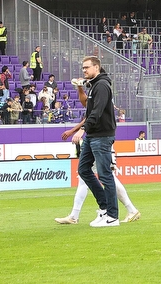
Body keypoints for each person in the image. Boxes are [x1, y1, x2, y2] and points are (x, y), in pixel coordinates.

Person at [63, 55, 118, 227]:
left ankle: (112, 216)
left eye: (87, 67)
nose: (84, 70)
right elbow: (88, 106)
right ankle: (104, 208)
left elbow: (97, 112)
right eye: (83, 68)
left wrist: (82, 129)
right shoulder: (94, 85)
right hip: (93, 135)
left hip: (101, 135)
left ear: (96, 68)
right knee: (84, 170)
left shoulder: (101, 85)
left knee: (105, 175)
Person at [55, 124, 140, 224]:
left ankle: (130, 210)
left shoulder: (97, 110)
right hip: (96, 141)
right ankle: (74, 215)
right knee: (86, 177)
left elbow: (91, 117)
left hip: (100, 142)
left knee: (107, 177)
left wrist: (77, 130)